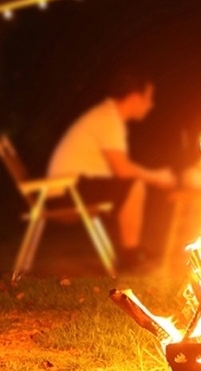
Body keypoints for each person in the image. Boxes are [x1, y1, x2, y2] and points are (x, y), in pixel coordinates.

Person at [47, 67, 176, 268]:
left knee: (132, 184)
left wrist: (154, 176)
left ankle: (132, 250)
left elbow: (120, 167)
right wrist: (158, 177)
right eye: (149, 98)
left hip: (68, 188)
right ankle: (131, 253)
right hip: (65, 192)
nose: (151, 105)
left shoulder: (108, 116)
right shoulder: (107, 119)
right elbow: (123, 170)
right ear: (134, 98)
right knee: (133, 184)